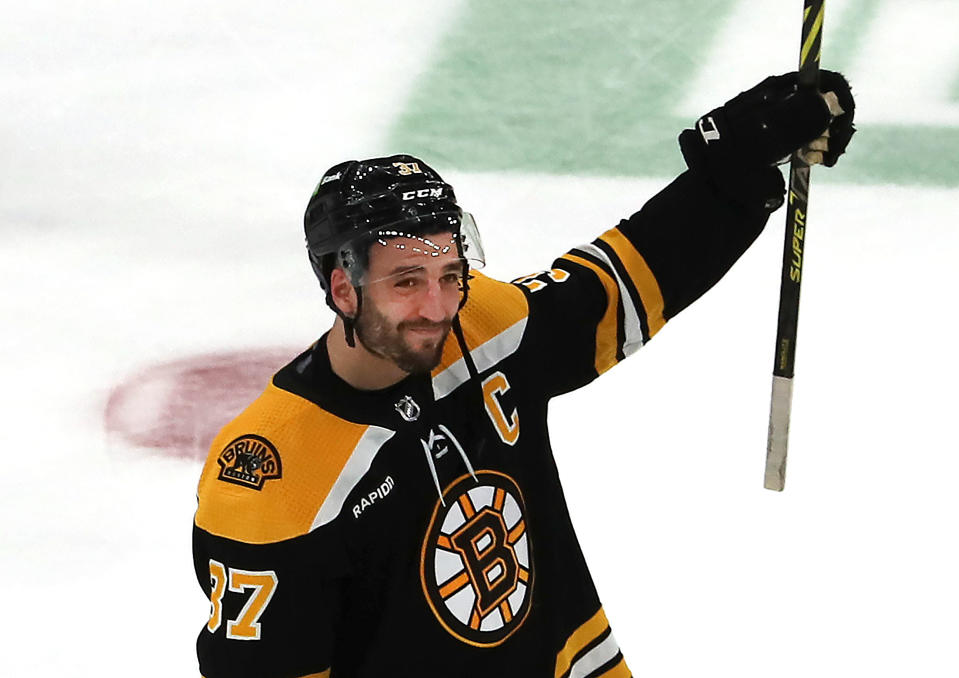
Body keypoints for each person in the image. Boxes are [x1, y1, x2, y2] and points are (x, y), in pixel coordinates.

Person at [192, 71, 855, 677]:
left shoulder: (479, 326)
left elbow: (618, 284)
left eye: (450, 275)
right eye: (406, 282)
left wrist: (729, 174)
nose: (436, 306)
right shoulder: (269, 478)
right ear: (342, 288)